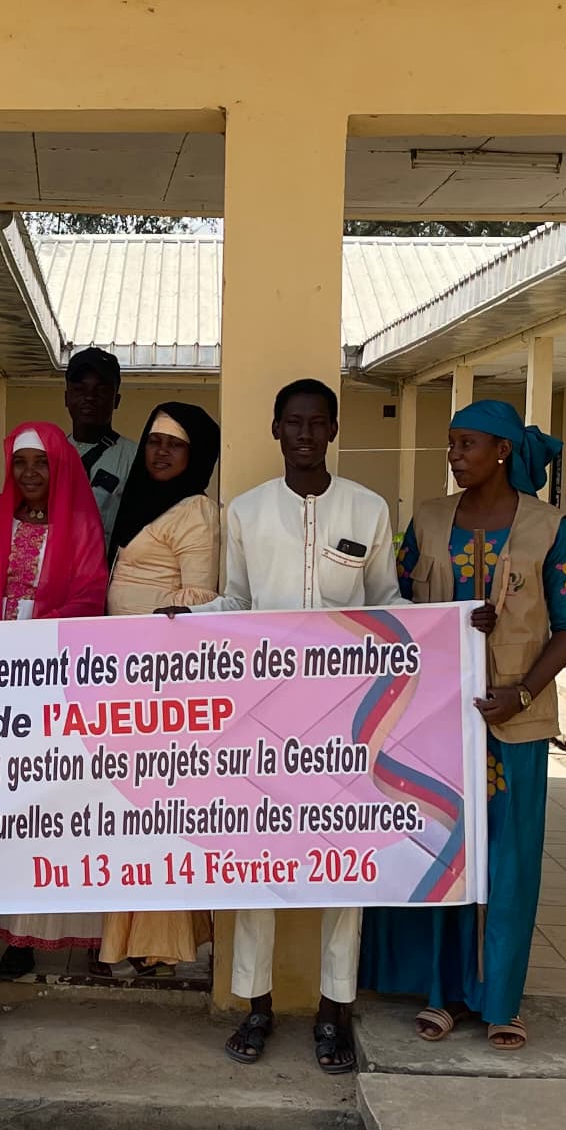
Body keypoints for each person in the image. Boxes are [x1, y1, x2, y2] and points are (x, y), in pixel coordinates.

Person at [360, 399, 566, 1054]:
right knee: (442, 853)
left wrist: (522, 693)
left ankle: (502, 1002)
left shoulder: (548, 527)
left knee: (509, 861)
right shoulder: (428, 522)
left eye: (467, 445)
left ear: (502, 452)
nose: (455, 456)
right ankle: (443, 994)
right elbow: (395, 608)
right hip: (436, 722)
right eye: (452, 444)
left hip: (515, 726)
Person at [204, 377, 401, 1075]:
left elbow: (389, 606)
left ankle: (333, 1011)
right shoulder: (248, 512)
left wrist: (454, 631)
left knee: (344, 862)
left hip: (349, 716)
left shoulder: (369, 509)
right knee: (260, 859)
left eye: (319, 423)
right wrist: (182, 627)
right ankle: (255, 1004)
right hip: (267, 714)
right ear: (275, 429)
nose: (307, 435)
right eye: (294, 423)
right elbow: (233, 601)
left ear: (335, 428)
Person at [0, 425, 109, 988]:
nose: (30, 474)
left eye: (42, 463)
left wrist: (38, 642)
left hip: (49, 683)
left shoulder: (80, 526)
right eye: (20, 462)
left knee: (33, 813)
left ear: (60, 467)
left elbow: (90, 597)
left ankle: (20, 936)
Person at [100, 400, 224, 976]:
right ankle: (129, 936)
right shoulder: (140, 502)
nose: (160, 452)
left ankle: (162, 941)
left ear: (195, 455)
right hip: (121, 682)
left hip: (163, 686)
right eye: (153, 441)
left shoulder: (196, 511)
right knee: (128, 815)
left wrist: (149, 627)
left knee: (157, 815)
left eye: (175, 445)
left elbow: (200, 596)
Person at [63, 347, 138, 540]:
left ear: (117, 400)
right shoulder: (47, 455)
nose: (89, 397)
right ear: (66, 398)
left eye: (101, 390)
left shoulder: (135, 459)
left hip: (108, 569)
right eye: (80, 389)